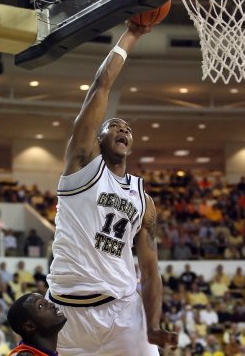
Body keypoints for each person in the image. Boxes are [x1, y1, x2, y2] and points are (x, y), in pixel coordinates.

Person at [46, 22, 178, 355]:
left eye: (127, 129)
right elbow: (100, 86)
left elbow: (149, 269)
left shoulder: (143, 199)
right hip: (65, 314)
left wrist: (153, 323)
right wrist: (132, 34)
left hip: (123, 312)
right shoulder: (81, 166)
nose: (122, 129)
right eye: (113, 126)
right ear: (97, 138)